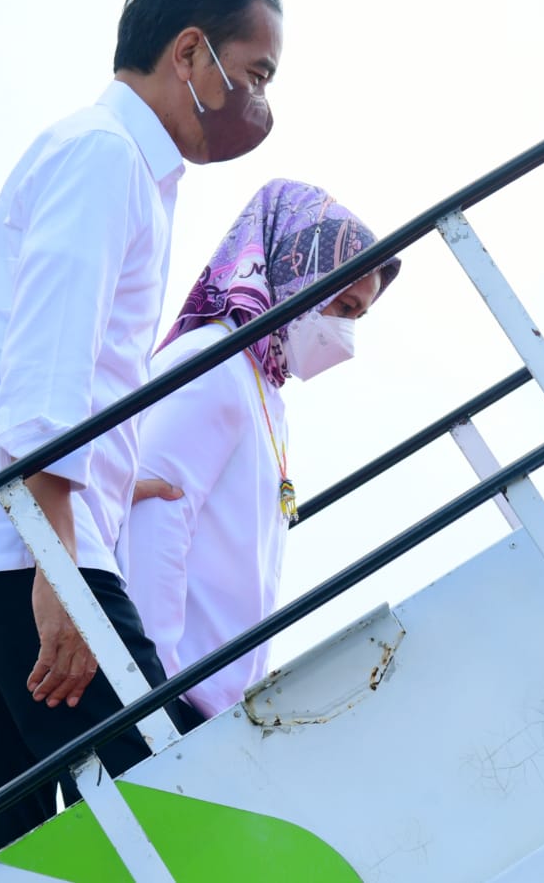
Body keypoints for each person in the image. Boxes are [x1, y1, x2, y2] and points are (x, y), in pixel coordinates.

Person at [0, 0, 282, 881]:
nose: (262, 103)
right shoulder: (108, 158)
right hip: (24, 544)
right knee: (182, 802)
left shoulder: (89, 154)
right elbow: (48, 368)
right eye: (257, 72)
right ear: (189, 53)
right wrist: (59, 555)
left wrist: (110, 470)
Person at [118, 179, 400, 719]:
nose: (346, 335)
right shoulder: (216, 363)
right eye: (343, 306)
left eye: (358, 317)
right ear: (298, 275)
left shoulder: (264, 388)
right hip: (167, 691)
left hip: (208, 702)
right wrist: (154, 684)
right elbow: (155, 518)